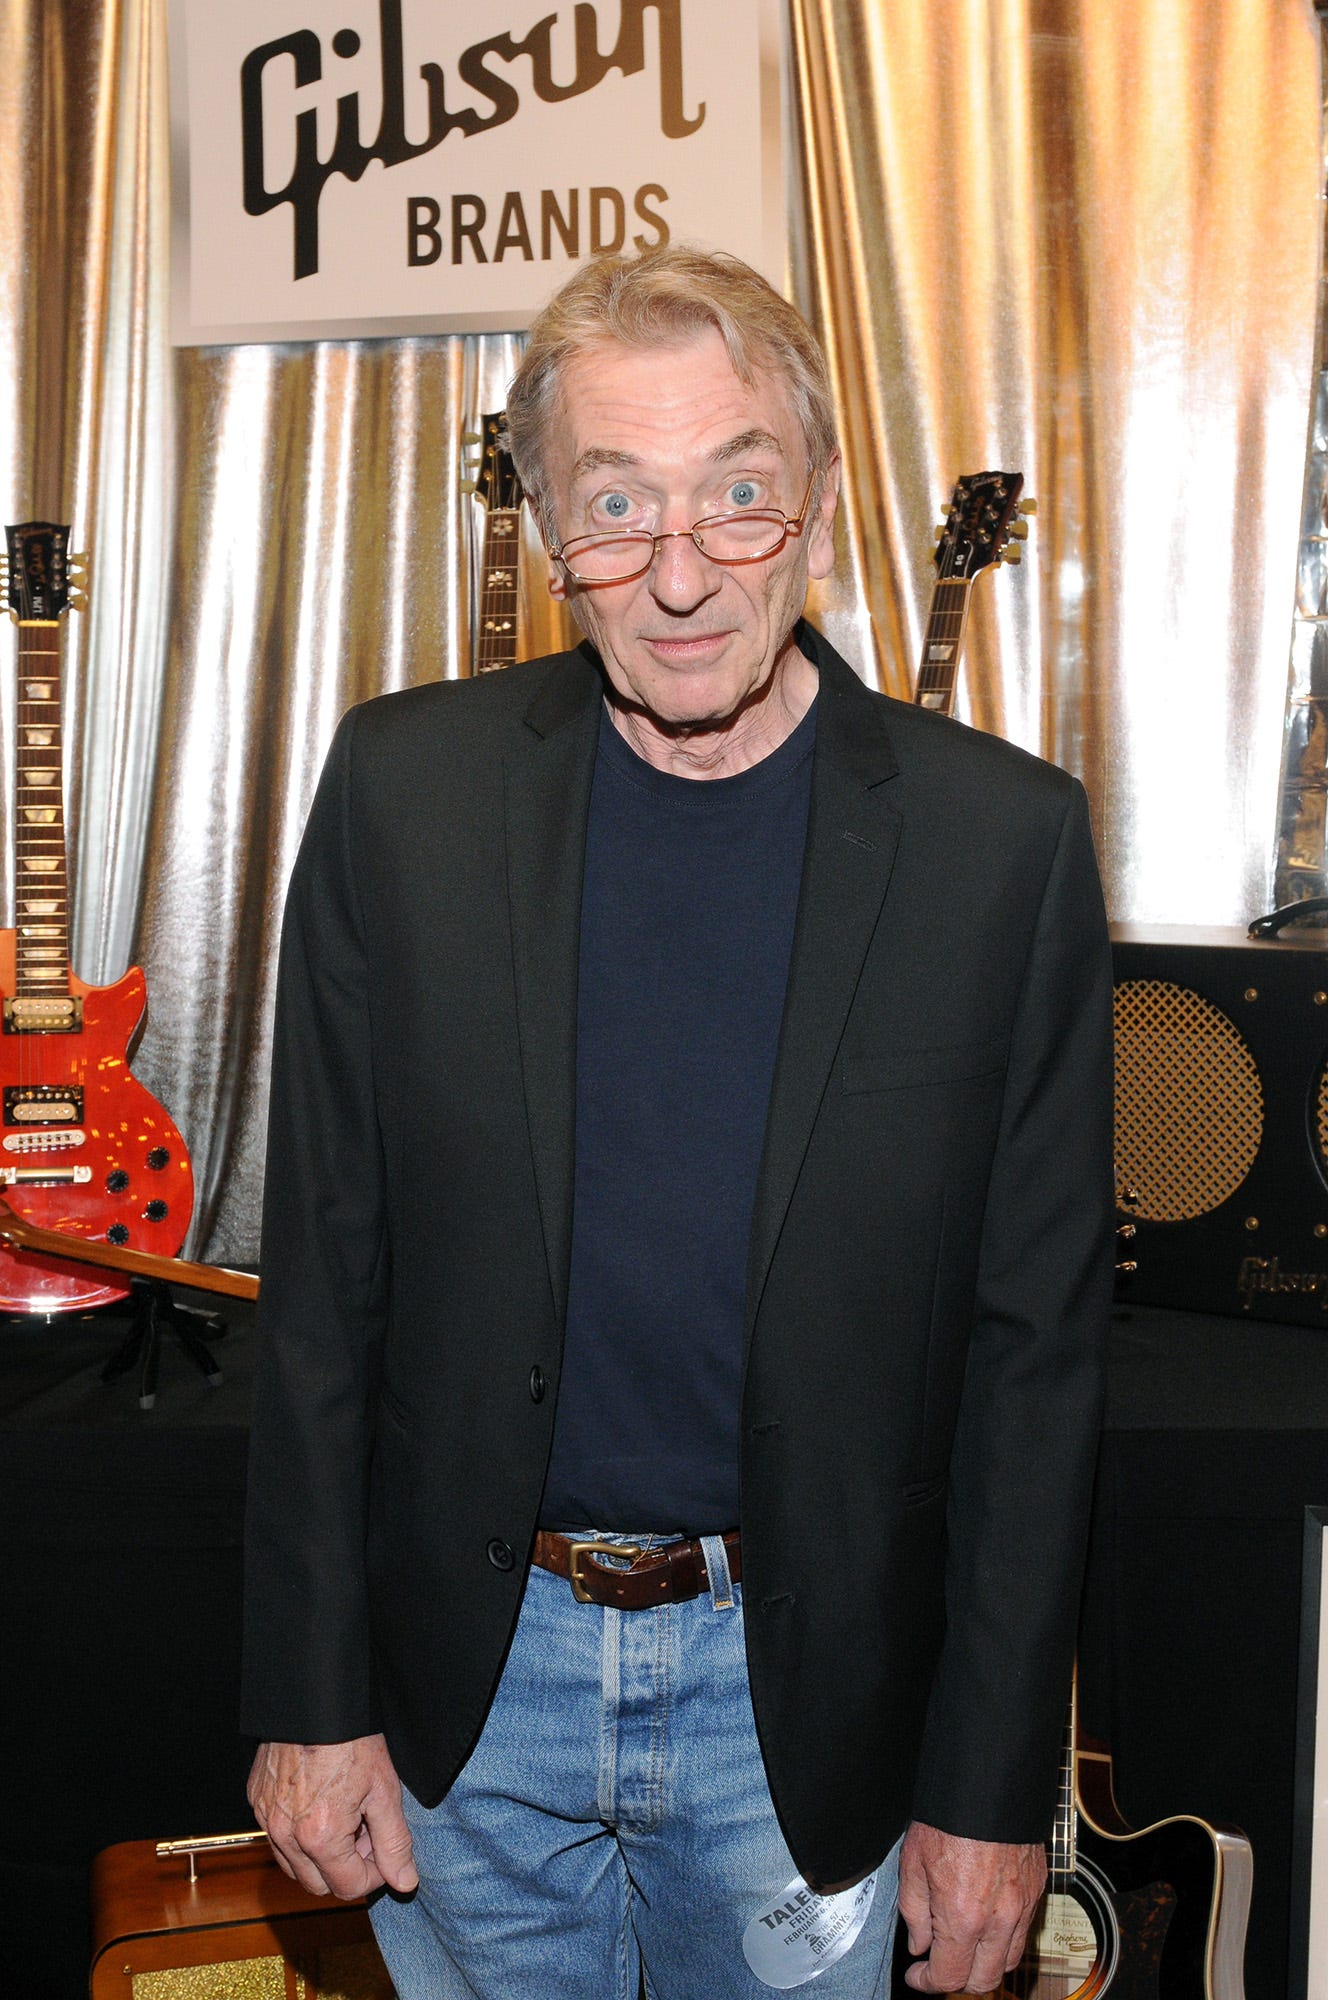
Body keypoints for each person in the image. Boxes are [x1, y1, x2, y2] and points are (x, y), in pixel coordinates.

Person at [242, 246, 1114, 2000]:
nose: (683, 574)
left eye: (735, 496)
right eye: (616, 505)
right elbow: (324, 1287)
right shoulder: (400, 795)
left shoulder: (997, 847)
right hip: (469, 1705)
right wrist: (306, 1698)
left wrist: (991, 1786)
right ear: (548, 526)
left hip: (806, 1718)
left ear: (819, 500)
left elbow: (1039, 1359)